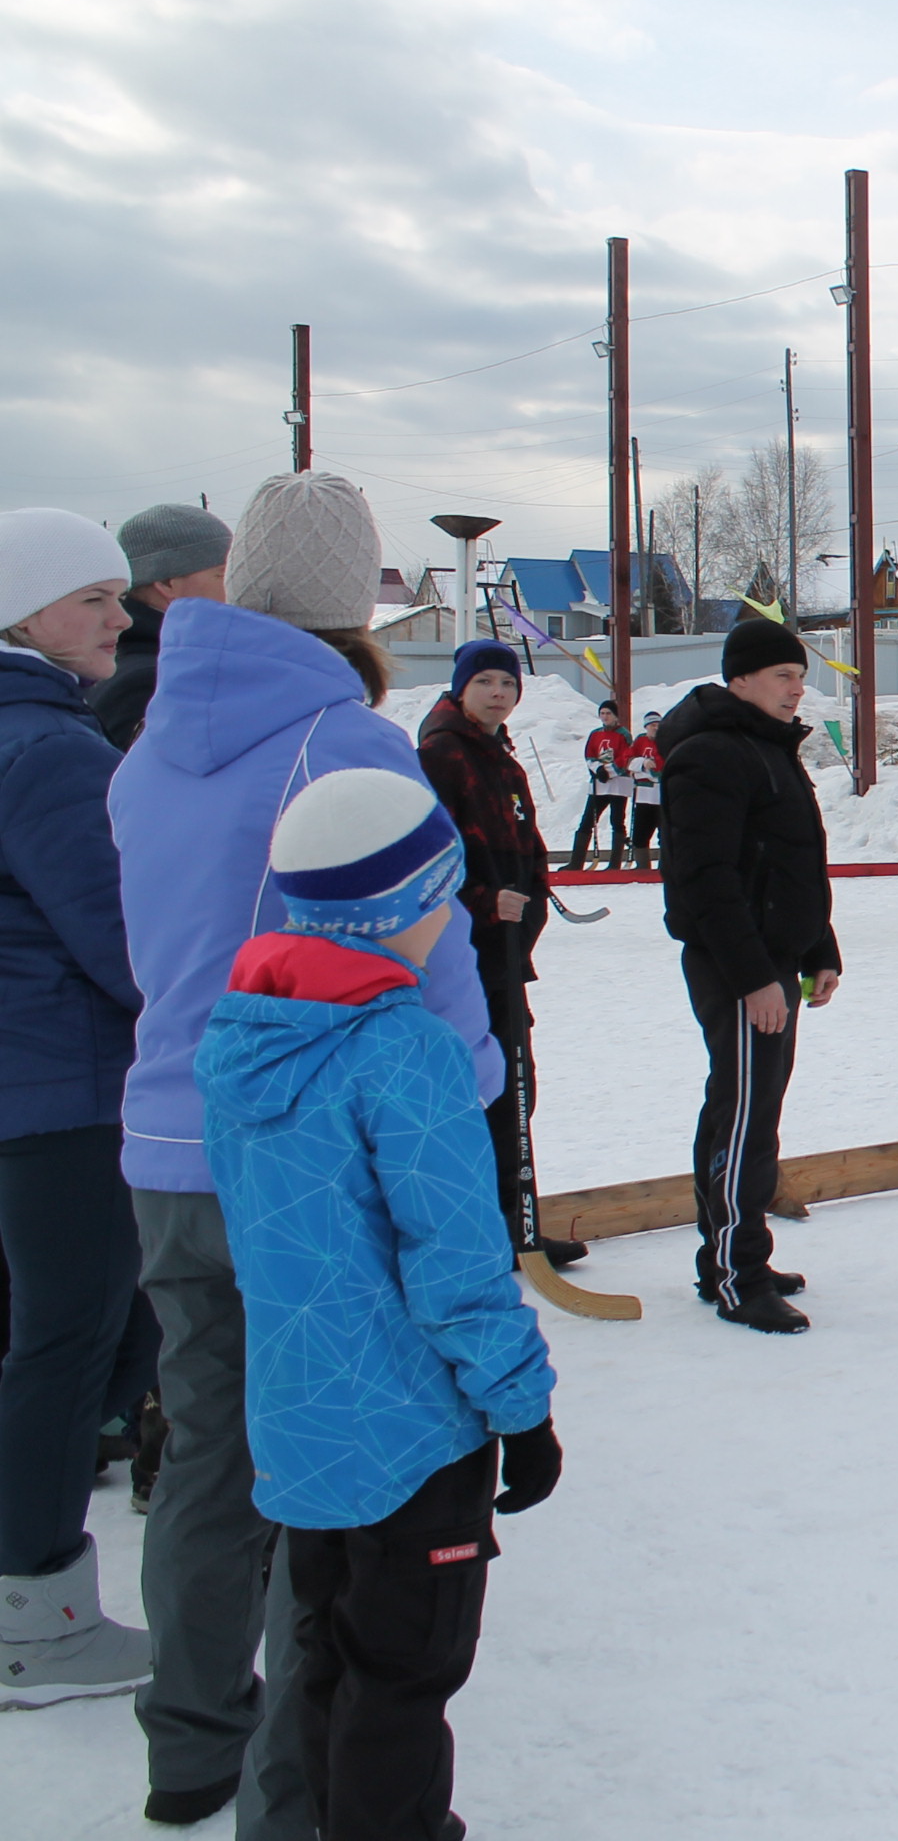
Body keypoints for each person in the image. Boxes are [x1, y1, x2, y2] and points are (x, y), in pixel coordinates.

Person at [109, 467, 503, 1832]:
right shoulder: (348, 744)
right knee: (325, 1478)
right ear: (357, 597)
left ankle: (188, 1745)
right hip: (306, 1170)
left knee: (207, 1454)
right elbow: (428, 977)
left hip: (169, 1141)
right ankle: (295, 1801)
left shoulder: (152, 744)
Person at [196, 769, 560, 1841]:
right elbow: (455, 1263)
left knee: (325, 1656)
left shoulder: (243, 1035)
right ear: (402, 906)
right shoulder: (406, 1052)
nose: (451, 914)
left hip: (302, 1420)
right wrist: (521, 1407)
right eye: (440, 894)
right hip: (412, 1434)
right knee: (405, 1672)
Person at [0, 511, 153, 1710]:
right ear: (25, 613)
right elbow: (117, 935)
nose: (120, 615)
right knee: (72, 1339)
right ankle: (36, 1619)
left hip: (26, 1076)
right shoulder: (51, 749)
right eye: (94, 597)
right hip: (67, 1084)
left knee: (43, 1336)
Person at [658, 620, 842, 1330]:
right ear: (740, 680)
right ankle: (738, 1275)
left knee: (750, 1110)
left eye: (799, 676)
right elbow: (705, 883)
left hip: (776, 962)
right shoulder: (709, 757)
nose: (798, 689)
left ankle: (736, 1257)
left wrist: (819, 948)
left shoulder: (767, 748)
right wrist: (753, 977)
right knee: (743, 1122)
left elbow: (793, 864)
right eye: (781, 677)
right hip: (741, 968)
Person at [412, 639, 583, 1269]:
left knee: (516, 1087)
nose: (498, 693)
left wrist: (532, 900)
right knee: (483, 1091)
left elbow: (526, 845)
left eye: (507, 684)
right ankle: (479, 1228)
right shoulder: (441, 755)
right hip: (463, 958)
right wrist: (485, 901)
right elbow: (428, 856)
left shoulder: (501, 759)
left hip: (507, 957)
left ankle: (516, 1221)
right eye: (484, 681)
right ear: (461, 688)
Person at [91, 503, 230, 752]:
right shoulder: (149, 681)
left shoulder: (132, 662)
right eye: (221, 574)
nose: (232, 586)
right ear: (167, 583)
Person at [567, 700, 631, 871]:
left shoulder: (623, 734)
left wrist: (609, 771)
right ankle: (576, 862)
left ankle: (614, 863)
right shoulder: (595, 734)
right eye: (602, 713)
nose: (605, 717)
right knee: (587, 821)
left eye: (608, 713)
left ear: (615, 715)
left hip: (618, 784)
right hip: (599, 784)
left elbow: (625, 757)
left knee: (617, 821)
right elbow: (589, 755)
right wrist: (597, 769)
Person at [625, 711, 665, 870]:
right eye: (652, 725)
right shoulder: (640, 741)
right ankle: (642, 867)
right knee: (640, 833)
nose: (655, 728)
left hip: (661, 794)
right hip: (643, 795)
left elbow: (661, 767)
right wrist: (642, 764)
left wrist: (644, 771)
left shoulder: (665, 741)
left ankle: (665, 866)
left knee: (664, 833)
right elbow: (628, 761)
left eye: (657, 725)